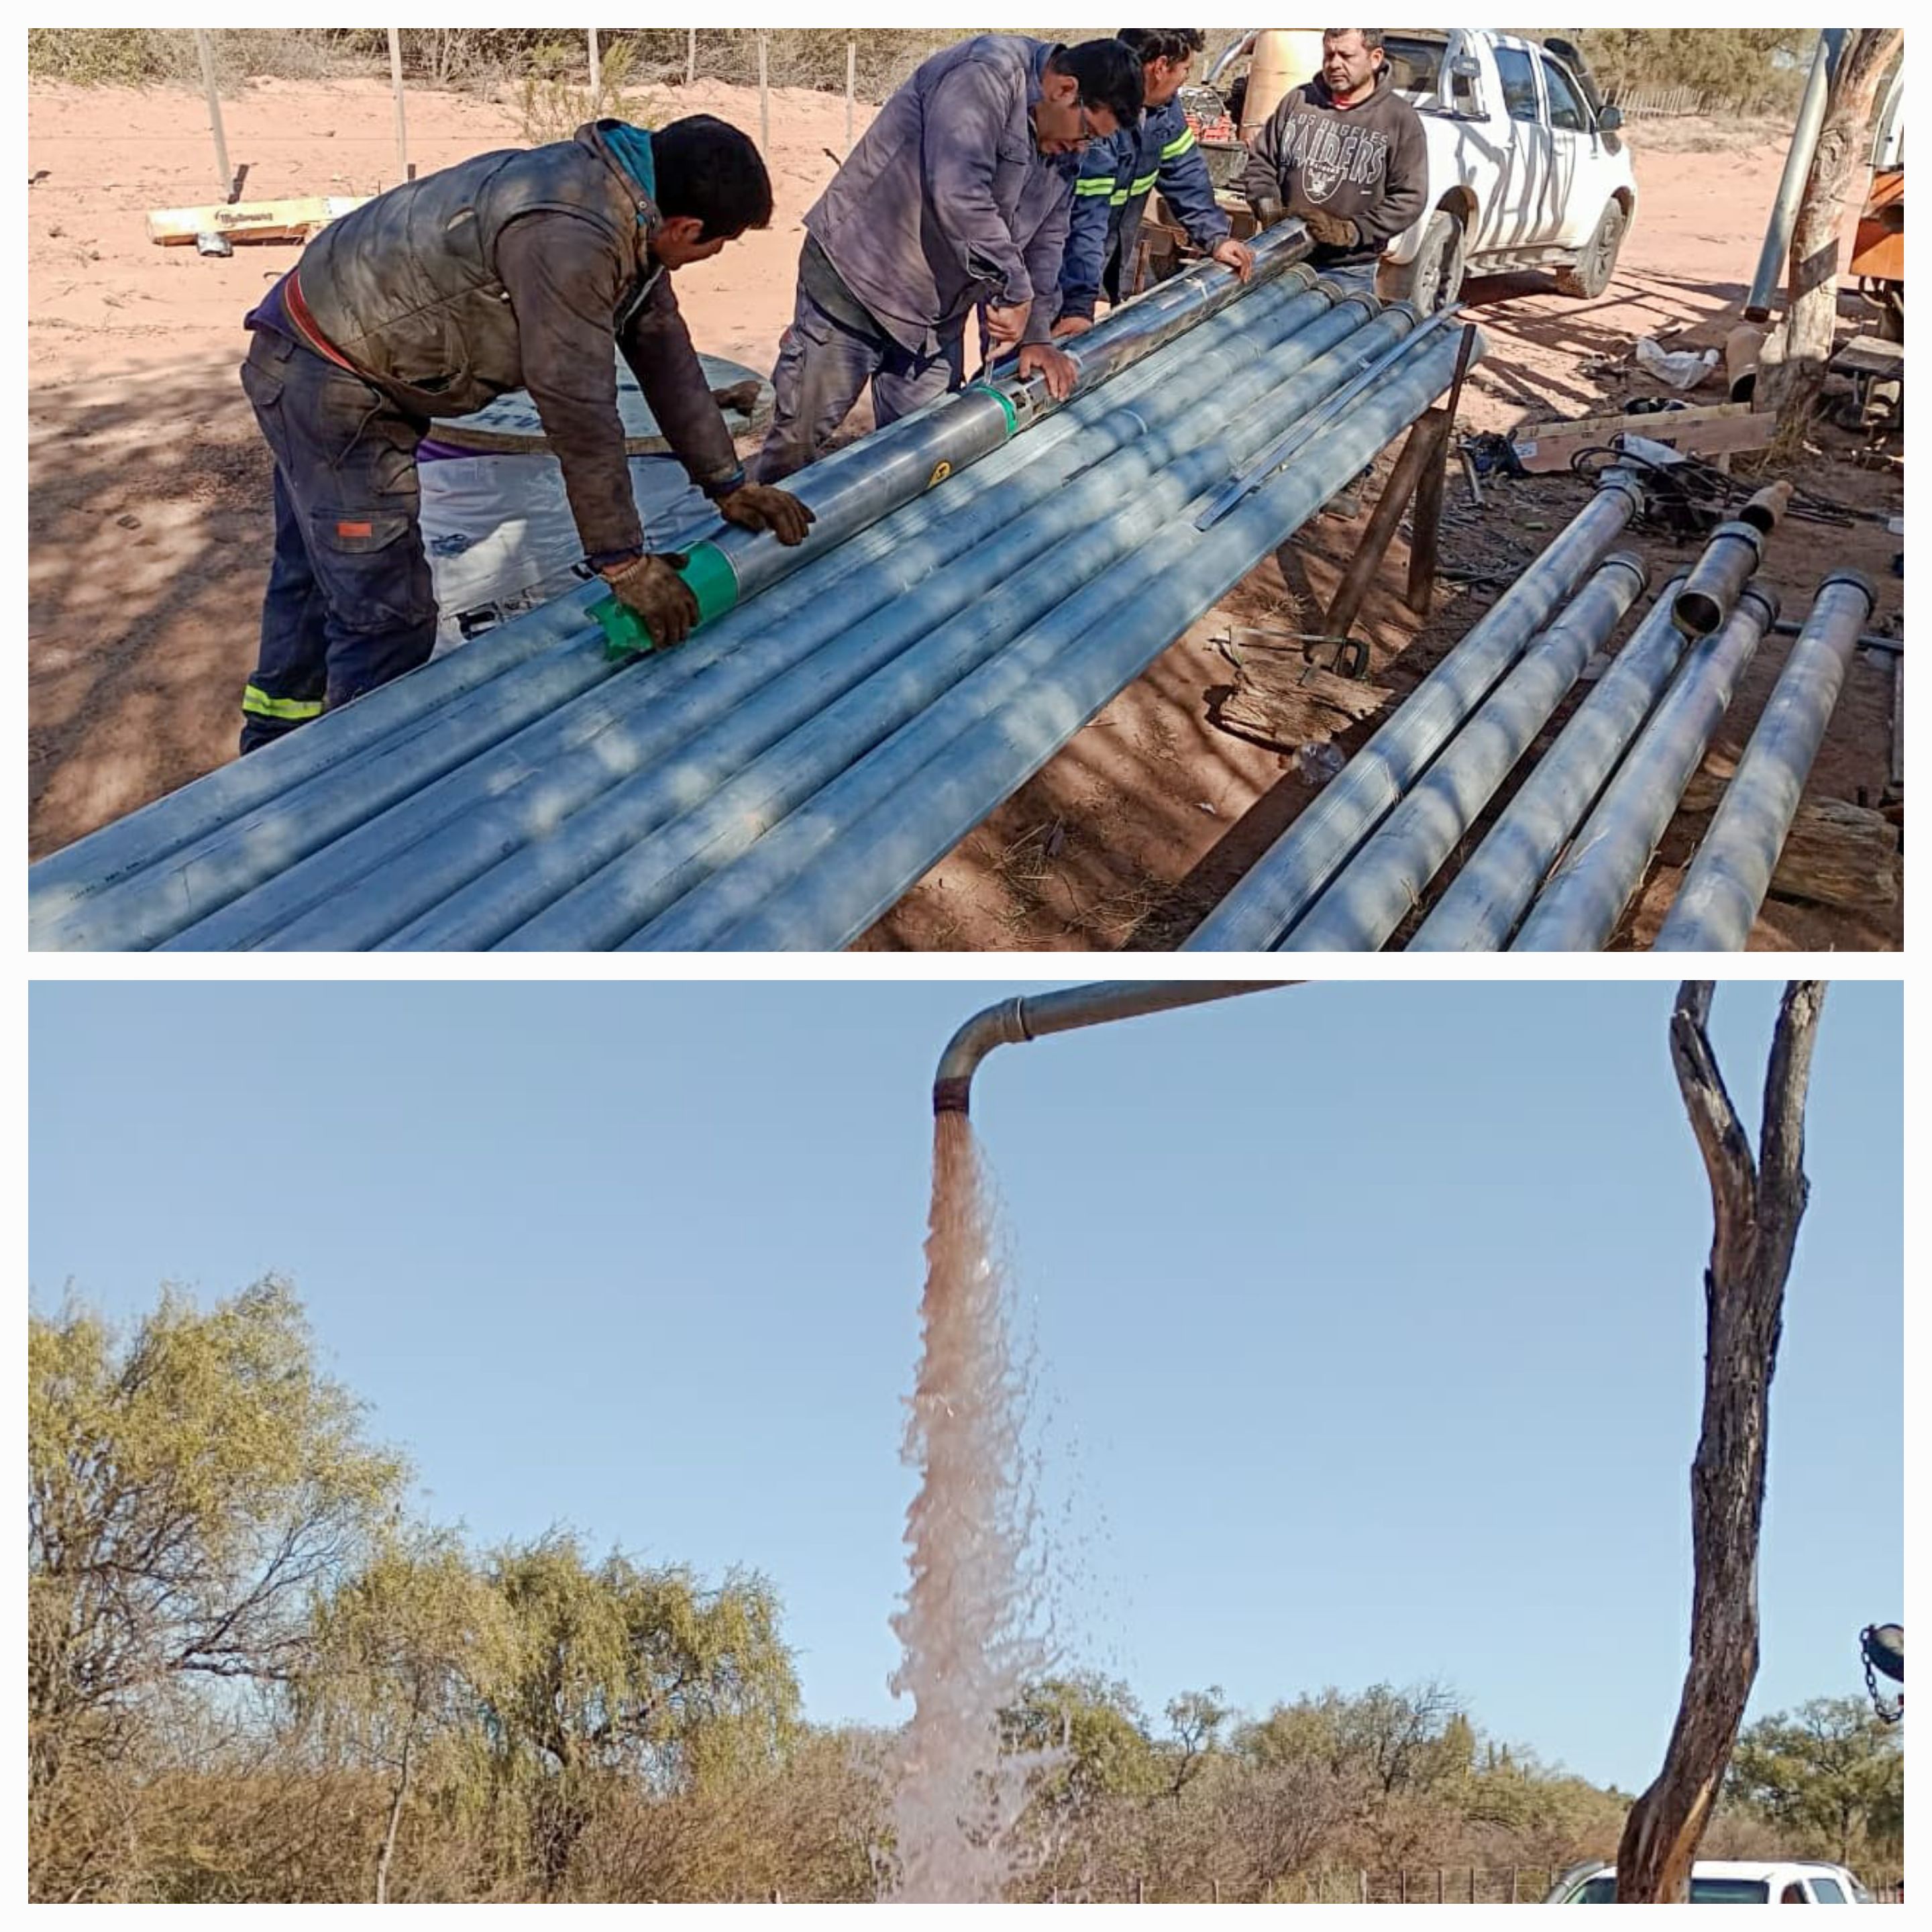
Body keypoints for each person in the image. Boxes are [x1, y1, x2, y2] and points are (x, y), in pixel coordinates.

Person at [235, 115, 812, 755]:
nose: (713, 259)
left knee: (313, 573)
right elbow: (579, 407)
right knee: (387, 614)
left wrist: (727, 484)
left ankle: (272, 753)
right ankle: (358, 797)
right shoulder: (573, 234)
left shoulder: (623, 210)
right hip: (331, 385)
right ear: (686, 228)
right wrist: (623, 562)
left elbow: (666, 356)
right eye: (717, 245)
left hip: (335, 358)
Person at [749, 35, 1145, 484]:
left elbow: (1048, 238)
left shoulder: (1064, 147)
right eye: (1087, 133)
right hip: (857, 284)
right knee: (795, 448)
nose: (1082, 148)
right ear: (1064, 90)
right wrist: (1015, 289)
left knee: (927, 456)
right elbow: (959, 193)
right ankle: (752, 541)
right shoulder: (984, 76)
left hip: (934, 318)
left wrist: (1036, 334)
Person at [1055, 28, 1254, 340]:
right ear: (1160, 67)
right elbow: (1085, 220)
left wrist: (1215, 237)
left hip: (1107, 256)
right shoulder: (1098, 106)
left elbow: (1184, 171)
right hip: (1057, 269)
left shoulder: (1163, 107)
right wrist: (1077, 305)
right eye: (1186, 69)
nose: (1186, 79)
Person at [1242, 28, 1428, 295]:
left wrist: (1352, 231)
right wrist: (1269, 208)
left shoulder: (1399, 120)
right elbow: (1261, 162)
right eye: (1329, 54)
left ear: (1375, 58)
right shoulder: (1298, 101)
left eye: (1346, 55)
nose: (1334, 64)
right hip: (1281, 257)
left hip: (1349, 272)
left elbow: (1410, 198)